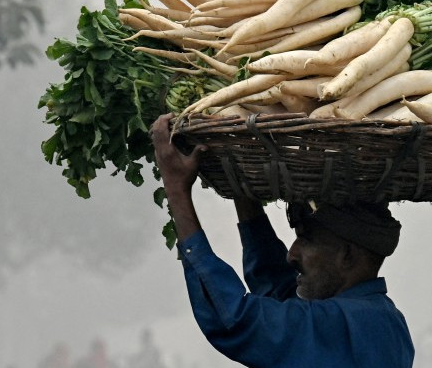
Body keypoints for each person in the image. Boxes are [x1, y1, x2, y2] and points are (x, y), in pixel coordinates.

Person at [150, 114, 414, 368]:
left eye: (306, 239)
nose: (292, 255)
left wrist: (176, 189)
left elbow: (235, 319)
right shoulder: (376, 318)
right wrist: (242, 189)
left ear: (347, 256)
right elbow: (276, 290)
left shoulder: (351, 324)